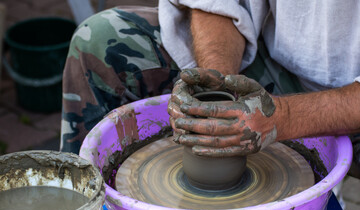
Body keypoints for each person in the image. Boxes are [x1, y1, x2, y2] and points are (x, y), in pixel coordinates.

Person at [59, 1, 360, 178]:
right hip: (281, 67)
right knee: (100, 40)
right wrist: (216, 82)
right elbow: (218, 4)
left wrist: (285, 117)